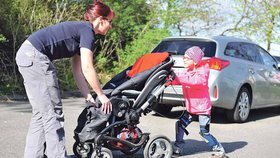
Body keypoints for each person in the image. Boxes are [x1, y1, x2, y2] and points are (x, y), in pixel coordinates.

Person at [15, 0, 114, 157]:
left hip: (26, 55)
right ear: (101, 19)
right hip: (35, 56)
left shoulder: (81, 31)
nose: (110, 26)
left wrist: (88, 95)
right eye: (110, 22)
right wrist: (101, 95)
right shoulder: (87, 31)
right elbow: (88, 67)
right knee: (54, 112)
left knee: (42, 114)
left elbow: (79, 70)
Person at [171, 46, 227, 158]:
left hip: (202, 109)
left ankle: (219, 150)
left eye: (187, 58)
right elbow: (180, 79)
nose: (184, 59)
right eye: (184, 57)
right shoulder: (188, 71)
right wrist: (169, 79)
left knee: (204, 132)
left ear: (195, 60)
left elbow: (193, 80)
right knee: (180, 125)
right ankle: (178, 147)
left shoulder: (203, 71)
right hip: (191, 109)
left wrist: (177, 75)